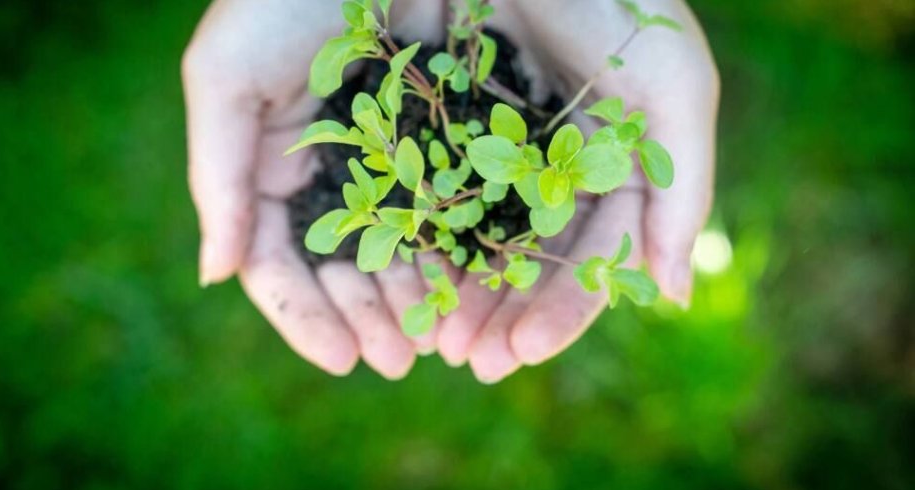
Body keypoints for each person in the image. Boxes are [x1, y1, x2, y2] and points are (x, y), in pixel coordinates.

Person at [181, 0, 719, 383]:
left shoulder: (542, 162)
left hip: (517, 155)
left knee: (465, 121)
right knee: (444, 107)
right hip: (443, 153)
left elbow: (486, 163)